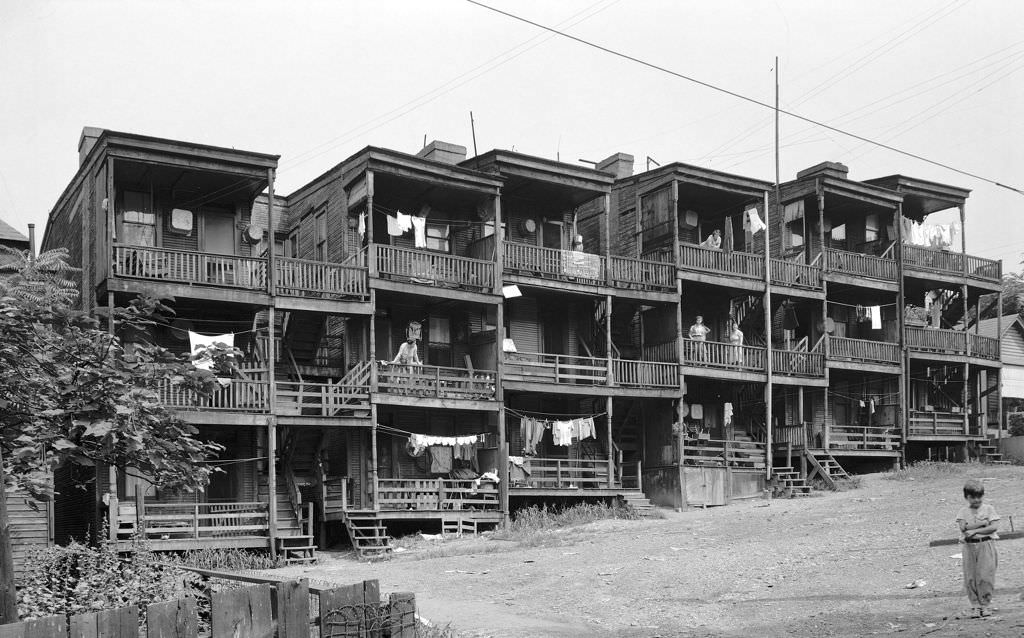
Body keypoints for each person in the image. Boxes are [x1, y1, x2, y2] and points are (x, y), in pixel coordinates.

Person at [956, 479, 1000, 618]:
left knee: (985, 575)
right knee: (971, 576)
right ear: (966, 497)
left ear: (983, 495)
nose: (976, 500)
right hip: (969, 546)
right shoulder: (963, 511)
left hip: (985, 544)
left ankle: (985, 605)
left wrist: (975, 530)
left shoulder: (989, 509)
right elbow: (963, 527)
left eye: (979, 496)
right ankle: (975, 605)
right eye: (972, 497)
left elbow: (993, 527)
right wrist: (982, 524)